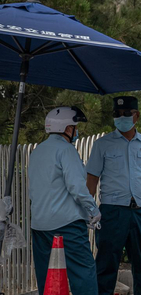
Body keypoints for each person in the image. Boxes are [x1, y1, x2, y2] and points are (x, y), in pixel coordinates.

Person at [86, 96, 141, 295]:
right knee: (106, 264)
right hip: (112, 212)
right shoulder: (102, 144)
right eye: (117, 114)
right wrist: (89, 207)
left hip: (139, 212)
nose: (121, 118)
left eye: (126, 114)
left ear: (136, 116)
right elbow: (92, 178)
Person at [30, 106, 101, 295]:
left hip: (39, 224)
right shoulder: (66, 150)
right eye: (75, 127)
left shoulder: (37, 152)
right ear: (67, 129)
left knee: (47, 278)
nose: (76, 132)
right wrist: (93, 210)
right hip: (67, 225)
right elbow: (77, 188)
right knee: (84, 271)